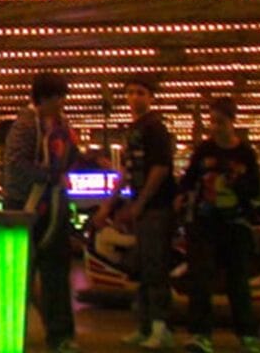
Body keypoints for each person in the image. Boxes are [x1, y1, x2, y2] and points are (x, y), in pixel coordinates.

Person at [94, 75, 176, 349]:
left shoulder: (155, 128)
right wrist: (110, 205)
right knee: (143, 265)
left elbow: (160, 168)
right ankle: (147, 325)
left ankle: (159, 327)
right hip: (145, 208)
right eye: (130, 92)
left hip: (156, 207)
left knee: (153, 265)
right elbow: (128, 171)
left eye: (140, 92)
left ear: (151, 97)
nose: (134, 97)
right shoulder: (136, 130)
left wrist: (138, 203)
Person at [176, 97, 260, 353]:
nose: (215, 127)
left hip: (235, 222)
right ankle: (200, 333)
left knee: (238, 280)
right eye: (212, 122)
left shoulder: (245, 153)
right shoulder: (204, 150)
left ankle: (246, 333)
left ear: (232, 122)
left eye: (220, 122)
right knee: (201, 278)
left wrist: (236, 183)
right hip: (205, 222)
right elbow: (189, 179)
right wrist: (181, 196)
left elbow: (255, 187)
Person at [4, 71, 80, 353]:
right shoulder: (27, 125)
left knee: (56, 271)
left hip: (53, 206)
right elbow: (16, 164)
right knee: (23, 272)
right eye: (57, 98)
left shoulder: (60, 125)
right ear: (44, 98)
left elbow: (70, 156)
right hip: (28, 207)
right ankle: (16, 331)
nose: (61, 103)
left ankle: (59, 333)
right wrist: (50, 176)